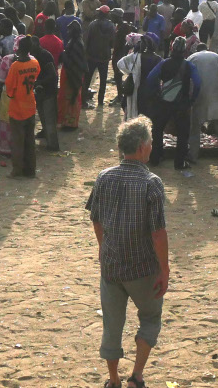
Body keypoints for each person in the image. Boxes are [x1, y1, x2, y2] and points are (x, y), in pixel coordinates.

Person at [86, 117, 169, 388]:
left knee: (112, 325)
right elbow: (158, 233)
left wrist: (103, 248)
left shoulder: (104, 177)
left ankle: (113, 380)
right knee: (150, 318)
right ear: (143, 147)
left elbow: (96, 219)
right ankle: (137, 376)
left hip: (111, 265)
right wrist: (164, 269)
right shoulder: (151, 182)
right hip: (143, 267)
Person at [144, 38, 201, 174]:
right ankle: (179, 162)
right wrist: (191, 99)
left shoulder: (164, 63)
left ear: (172, 49)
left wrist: (157, 91)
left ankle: (156, 158)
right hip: (182, 104)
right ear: (184, 51)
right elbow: (198, 83)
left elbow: (150, 78)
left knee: (157, 129)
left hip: (164, 102)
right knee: (182, 134)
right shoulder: (189, 66)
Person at [5, 37, 41, 178]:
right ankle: (30, 170)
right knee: (29, 140)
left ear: (18, 48)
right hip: (30, 104)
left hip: (17, 107)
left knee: (18, 141)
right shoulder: (35, 62)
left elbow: (10, 88)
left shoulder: (15, 66)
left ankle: (17, 170)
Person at [187, 42, 218, 164]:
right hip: (215, 95)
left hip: (199, 95)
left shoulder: (192, 58)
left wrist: (190, 96)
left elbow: (189, 79)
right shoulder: (216, 56)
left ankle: (193, 155)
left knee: (195, 127)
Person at [84, 5, 117, 109]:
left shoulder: (92, 25)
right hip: (104, 56)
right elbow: (112, 42)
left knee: (87, 79)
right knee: (103, 80)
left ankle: (84, 99)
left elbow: (87, 40)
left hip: (92, 55)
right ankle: (100, 101)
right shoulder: (111, 26)